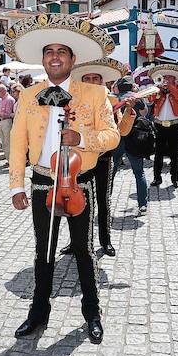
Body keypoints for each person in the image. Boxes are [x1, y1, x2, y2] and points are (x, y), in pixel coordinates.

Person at [4, 13, 119, 344]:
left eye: (61, 51)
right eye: (49, 52)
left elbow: (111, 136)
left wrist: (81, 138)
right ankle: (38, 313)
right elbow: (17, 144)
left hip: (78, 182)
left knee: (83, 250)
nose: (54, 56)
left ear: (72, 59)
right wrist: (15, 185)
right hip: (42, 181)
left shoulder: (95, 94)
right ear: (43, 59)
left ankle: (92, 312)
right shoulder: (29, 94)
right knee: (44, 251)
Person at [61, 57, 130, 258]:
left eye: (96, 78)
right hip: (78, 160)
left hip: (103, 159)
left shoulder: (111, 101)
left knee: (103, 199)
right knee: (73, 198)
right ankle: (76, 241)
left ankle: (105, 240)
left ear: (102, 82)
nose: (91, 81)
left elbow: (121, 132)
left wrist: (129, 111)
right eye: (87, 78)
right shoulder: (72, 101)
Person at [111, 76, 149, 216]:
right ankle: (143, 204)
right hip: (135, 138)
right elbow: (145, 113)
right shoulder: (137, 98)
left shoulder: (113, 99)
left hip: (118, 137)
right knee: (139, 173)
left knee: (111, 172)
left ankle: (106, 200)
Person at [147, 64, 178, 188]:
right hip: (159, 125)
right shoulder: (158, 88)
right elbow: (150, 100)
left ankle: (175, 178)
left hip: (174, 125)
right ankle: (157, 178)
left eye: (168, 77)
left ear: (174, 79)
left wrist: (170, 87)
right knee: (158, 153)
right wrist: (158, 89)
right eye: (164, 77)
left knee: (174, 153)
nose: (165, 79)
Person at [0, 83, 16, 164]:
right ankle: (8, 159)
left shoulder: (9, 100)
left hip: (7, 122)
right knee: (4, 142)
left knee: (8, 142)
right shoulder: (1, 100)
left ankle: (11, 160)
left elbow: (9, 114)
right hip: (1, 121)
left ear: (3, 91)